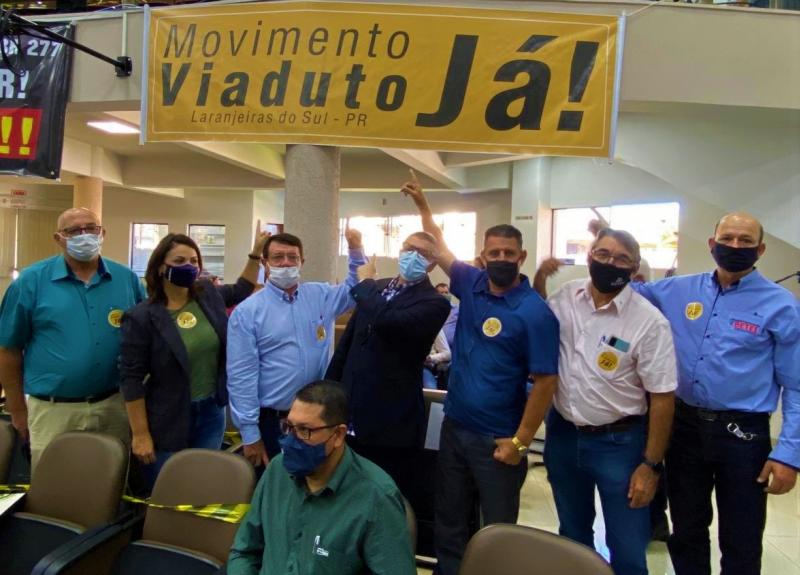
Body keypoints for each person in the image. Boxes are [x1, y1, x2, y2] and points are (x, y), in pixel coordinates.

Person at [404, 179, 560, 575]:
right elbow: (439, 244)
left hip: (499, 440)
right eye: (495, 253)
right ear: (482, 256)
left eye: (509, 253)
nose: (502, 258)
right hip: (455, 428)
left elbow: (546, 382)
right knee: (450, 521)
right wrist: (423, 203)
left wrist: (521, 443)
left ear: (522, 256)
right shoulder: (470, 284)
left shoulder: (535, 312)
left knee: (498, 530)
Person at [632, 212, 800, 575]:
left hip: (743, 436)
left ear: (760, 249)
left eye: (745, 240)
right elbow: (626, 292)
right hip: (685, 429)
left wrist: (789, 454)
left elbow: (797, 387)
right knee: (687, 529)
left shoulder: (782, 305)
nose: (735, 246)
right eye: (727, 238)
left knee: (742, 535)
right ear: (712, 244)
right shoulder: (678, 290)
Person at [534, 229, 677, 575]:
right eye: (602, 254)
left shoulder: (649, 322)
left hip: (620, 443)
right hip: (564, 435)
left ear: (635, 268)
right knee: (572, 538)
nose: (610, 263)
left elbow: (662, 398)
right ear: (589, 256)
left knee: (627, 547)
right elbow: (536, 319)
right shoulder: (566, 297)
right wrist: (539, 277)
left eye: (621, 259)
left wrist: (651, 466)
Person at [118, 227, 268, 488]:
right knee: (169, 489)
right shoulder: (141, 317)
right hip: (168, 416)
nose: (188, 266)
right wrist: (140, 434)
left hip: (211, 411)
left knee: (202, 484)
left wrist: (255, 254)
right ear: (161, 267)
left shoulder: (207, 294)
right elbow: (131, 379)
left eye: (194, 261)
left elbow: (241, 289)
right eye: (179, 261)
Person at [0, 207, 145, 469]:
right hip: (53, 411)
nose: (84, 235)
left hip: (114, 406)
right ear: (59, 238)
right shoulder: (30, 282)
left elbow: (146, 338)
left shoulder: (126, 280)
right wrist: (18, 411)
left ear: (102, 233)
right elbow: (8, 350)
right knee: (53, 485)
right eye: (74, 231)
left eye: (91, 228)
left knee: (110, 483)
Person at [226, 380, 416, 575]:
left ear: (338, 435)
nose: (291, 440)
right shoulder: (277, 470)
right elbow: (244, 552)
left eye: (305, 430)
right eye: (289, 427)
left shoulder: (376, 496)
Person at [325, 230, 451, 508]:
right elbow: (348, 344)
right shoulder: (378, 288)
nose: (413, 255)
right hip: (350, 411)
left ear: (432, 263)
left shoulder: (434, 302)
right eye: (409, 248)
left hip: (390, 419)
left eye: (423, 253)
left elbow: (389, 322)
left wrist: (365, 282)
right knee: (342, 492)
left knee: (380, 497)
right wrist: (329, 392)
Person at [227, 230, 366, 467]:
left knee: (318, 478)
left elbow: (355, 288)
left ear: (302, 261)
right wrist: (250, 434)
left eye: (292, 257)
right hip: (275, 421)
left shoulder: (320, 296)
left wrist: (355, 249)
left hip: (319, 417)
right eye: (277, 257)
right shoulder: (248, 312)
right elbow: (241, 376)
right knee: (278, 481)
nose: (286, 263)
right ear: (265, 263)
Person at [435, 282, 459, 349]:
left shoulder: (457, 309)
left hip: (456, 348)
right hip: (439, 350)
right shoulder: (432, 312)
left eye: (446, 292)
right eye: (441, 293)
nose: (444, 295)